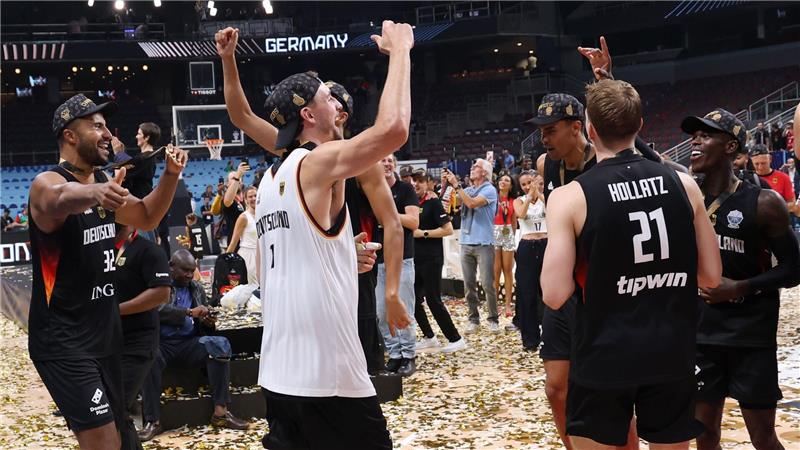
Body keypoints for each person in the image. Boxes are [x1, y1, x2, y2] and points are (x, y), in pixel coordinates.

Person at [217, 21, 413, 449]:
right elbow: (395, 129)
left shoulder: (274, 173)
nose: (339, 104)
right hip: (328, 375)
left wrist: (343, 253)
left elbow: (240, 116)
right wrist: (401, 52)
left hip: (278, 371)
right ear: (308, 114)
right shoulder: (316, 163)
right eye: (328, 97)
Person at [542, 79, 722, 450]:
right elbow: (711, 276)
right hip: (671, 351)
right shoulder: (684, 184)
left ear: (590, 130)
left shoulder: (568, 197)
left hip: (604, 354)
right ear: (641, 125)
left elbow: (555, 294)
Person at [28, 93, 187, 450]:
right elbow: (59, 199)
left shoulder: (101, 182)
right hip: (63, 340)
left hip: (105, 336)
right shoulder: (46, 182)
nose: (106, 133)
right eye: (96, 126)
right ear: (70, 136)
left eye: (105, 126)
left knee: (122, 437)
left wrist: (171, 176)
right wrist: (96, 191)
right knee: (102, 442)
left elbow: (147, 215)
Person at [682, 107, 800, 450]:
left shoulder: (765, 202)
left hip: (751, 337)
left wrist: (742, 287)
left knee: (763, 438)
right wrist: (608, 83)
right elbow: (648, 157)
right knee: (704, 436)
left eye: (706, 136)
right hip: (702, 337)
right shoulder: (688, 196)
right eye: (694, 136)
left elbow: (794, 269)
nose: (695, 142)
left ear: (731, 147)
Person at [328, 80, 405, 376]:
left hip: (355, 261)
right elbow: (245, 119)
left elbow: (392, 223)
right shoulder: (298, 158)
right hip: (315, 266)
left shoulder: (360, 160)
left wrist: (392, 292)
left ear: (340, 113)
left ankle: (373, 375)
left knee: (361, 334)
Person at [139, 249, 251, 441]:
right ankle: (153, 421)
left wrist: (208, 321)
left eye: (192, 271)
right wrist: (189, 312)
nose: (190, 275)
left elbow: (203, 322)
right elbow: (157, 310)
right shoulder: (159, 286)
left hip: (189, 343)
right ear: (171, 267)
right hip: (162, 343)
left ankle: (221, 413)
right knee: (150, 356)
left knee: (220, 344)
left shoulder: (196, 288)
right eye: (185, 271)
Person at [112, 223, 171, 440]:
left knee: (114, 408)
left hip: (137, 341)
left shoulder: (149, 250)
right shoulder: (100, 249)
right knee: (114, 412)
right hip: (105, 341)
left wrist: (115, 311)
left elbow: (161, 294)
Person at [443, 159, 500, 333]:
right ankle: (473, 319)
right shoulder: (468, 190)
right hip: (466, 242)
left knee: (487, 283)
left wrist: (457, 185)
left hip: (484, 243)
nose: (472, 169)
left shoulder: (489, 190)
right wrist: (447, 187)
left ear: (484, 172)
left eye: (476, 167)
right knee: (469, 284)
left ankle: (493, 319)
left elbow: (472, 203)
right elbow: (450, 205)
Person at [412, 170, 466, 354]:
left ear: (428, 183)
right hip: (416, 258)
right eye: (413, 181)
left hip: (432, 258)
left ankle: (455, 338)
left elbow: (448, 229)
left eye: (420, 181)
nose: (416, 184)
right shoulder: (413, 203)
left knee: (433, 299)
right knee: (413, 300)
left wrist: (424, 233)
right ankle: (429, 336)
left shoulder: (433, 202)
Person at [375, 154, 419, 376]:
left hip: (402, 259)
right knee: (382, 312)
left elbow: (413, 221)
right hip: (378, 260)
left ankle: (409, 355)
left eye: (390, 160)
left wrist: (388, 215)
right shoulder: (371, 190)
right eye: (382, 160)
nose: (387, 163)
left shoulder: (405, 190)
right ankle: (394, 354)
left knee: (403, 309)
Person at [511, 171, 547, 349]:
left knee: (548, 291)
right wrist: (529, 196)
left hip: (547, 244)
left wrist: (538, 193)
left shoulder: (547, 197)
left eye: (530, 183)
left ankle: (551, 335)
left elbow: (552, 211)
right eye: (524, 184)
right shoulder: (518, 200)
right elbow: (521, 215)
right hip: (527, 246)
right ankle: (530, 339)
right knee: (527, 292)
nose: (527, 186)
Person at [493, 173, 517, 318]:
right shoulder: (492, 199)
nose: (503, 182)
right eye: (501, 179)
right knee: (495, 271)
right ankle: (494, 304)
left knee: (508, 270)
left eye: (507, 180)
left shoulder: (513, 201)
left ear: (511, 185)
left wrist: (511, 236)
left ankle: (508, 305)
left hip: (507, 232)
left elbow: (514, 222)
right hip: (494, 231)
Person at [750, 144, 797, 214]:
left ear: (770, 159)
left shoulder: (783, 178)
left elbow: (792, 204)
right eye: (756, 164)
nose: (760, 167)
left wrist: (774, 209)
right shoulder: (748, 179)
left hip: (777, 221)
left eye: (763, 163)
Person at [225, 185, 258, 284]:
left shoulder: (262, 215)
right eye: (250, 196)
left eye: (255, 195)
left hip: (261, 255)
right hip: (247, 256)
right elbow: (233, 242)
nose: (254, 198)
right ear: (245, 199)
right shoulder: (243, 217)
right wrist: (224, 262)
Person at [222, 163, 248, 248]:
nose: (237, 179)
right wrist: (237, 177)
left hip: (248, 242)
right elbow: (228, 200)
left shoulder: (245, 197)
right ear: (227, 184)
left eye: (239, 177)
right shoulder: (227, 198)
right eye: (233, 178)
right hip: (235, 245)